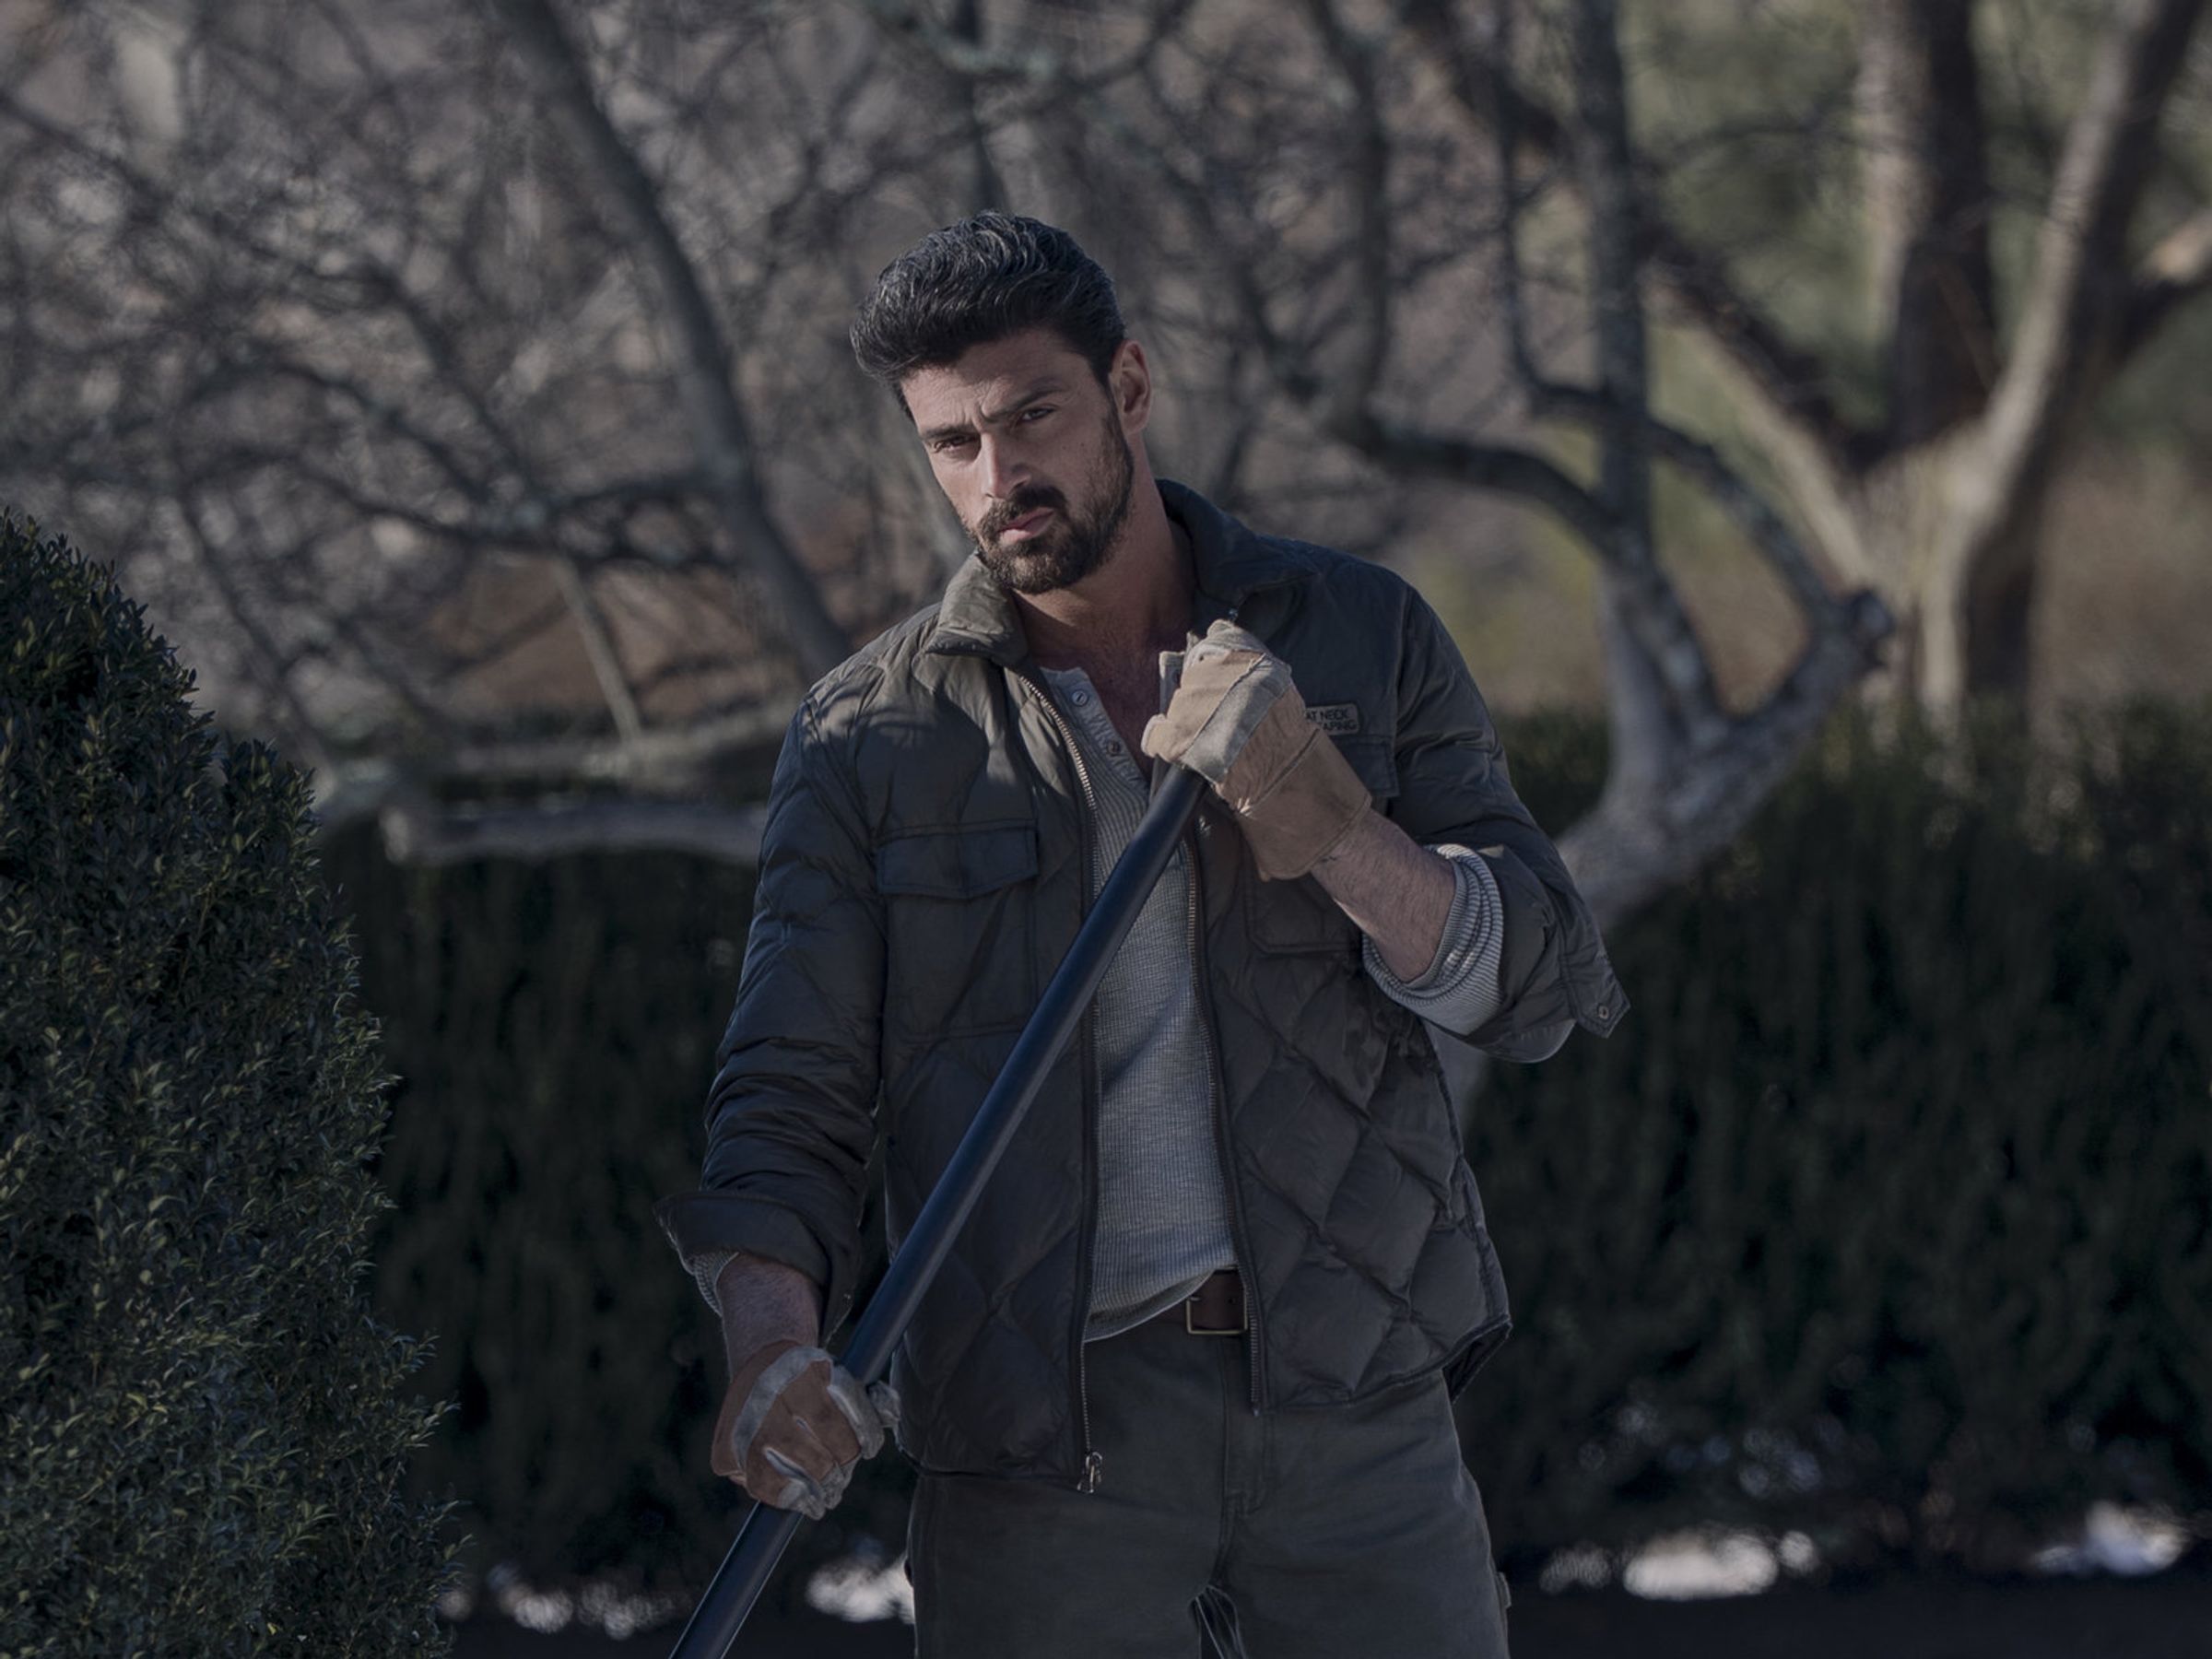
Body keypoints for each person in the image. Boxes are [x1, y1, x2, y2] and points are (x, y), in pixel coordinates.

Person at [657, 212, 1625, 1658]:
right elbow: (788, 1096)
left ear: (1129, 386)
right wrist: (769, 1349)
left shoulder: (1356, 635)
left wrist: (1339, 833)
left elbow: (1542, 983)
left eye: (1031, 417)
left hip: (1352, 1397)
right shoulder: (873, 737)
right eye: (952, 444)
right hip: (1040, 1440)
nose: (998, 478)